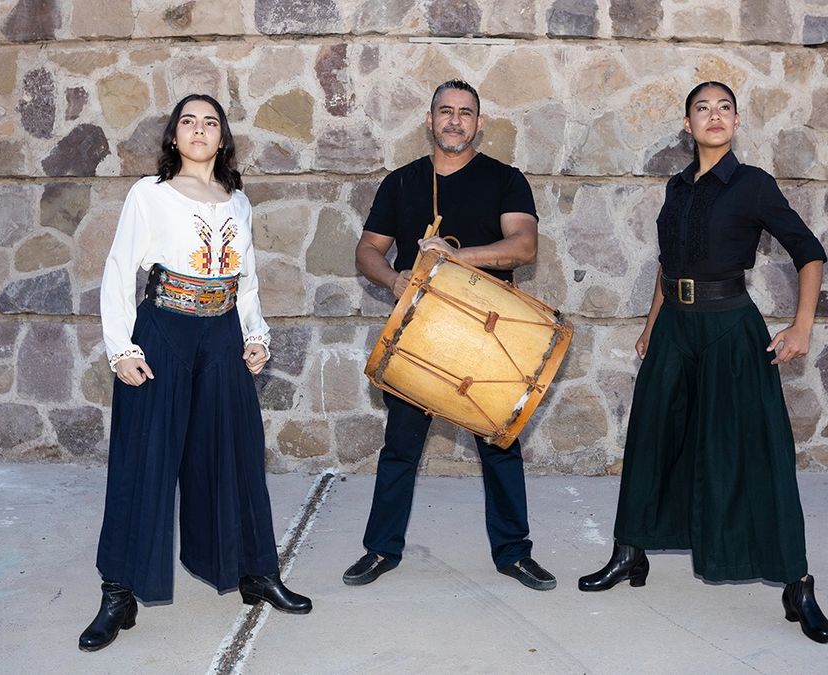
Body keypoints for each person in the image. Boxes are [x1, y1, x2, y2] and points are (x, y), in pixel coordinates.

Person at [577, 81, 828, 644]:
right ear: (688, 124)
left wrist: (801, 326)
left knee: (758, 452)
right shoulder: (676, 187)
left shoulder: (753, 185)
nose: (713, 116)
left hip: (729, 332)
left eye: (724, 108)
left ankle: (797, 584)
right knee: (649, 438)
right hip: (674, 330)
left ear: (736, 121)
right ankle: (629, 552)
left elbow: (809, 253)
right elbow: (669, 268)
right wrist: (649, 330)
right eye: (703, 108)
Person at [78, 94, 311, 652]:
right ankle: (119, 592)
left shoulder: (238, 200)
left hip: (224, 334)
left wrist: (255, 336)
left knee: (236, 452)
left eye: (211, 122)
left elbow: (246, 279)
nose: (200, 130)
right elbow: (117, 272)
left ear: (223, 137)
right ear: (174, 137)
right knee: (144, 459)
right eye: (189, 122)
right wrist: (121, 347)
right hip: (163, 332)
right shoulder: (148, 195)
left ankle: (255, 571)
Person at [344, 80, 556, 591]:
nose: (455, 121)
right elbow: (367, 250)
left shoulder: (505, 180)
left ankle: (512, 553)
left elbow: (522, 247)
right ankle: (381, 550)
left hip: (490, 332)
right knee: (401, 445)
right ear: (430, 119)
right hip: (421, 332)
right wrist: (395, 278)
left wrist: (452, 259)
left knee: (499, 444)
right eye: (446, 112)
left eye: (465, 113)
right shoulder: (401, 183)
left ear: (479, 124)